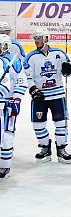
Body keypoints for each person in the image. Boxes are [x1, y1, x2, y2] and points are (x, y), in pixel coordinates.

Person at [24, 27, 71, 163]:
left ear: (46, 38)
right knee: (38, 125)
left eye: (38, 38)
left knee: (61, 123)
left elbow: (68, 70)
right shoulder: (30, 57)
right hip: (39, 97)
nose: (36, 41)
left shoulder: (60, 53)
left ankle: (61, 149)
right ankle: (45, 147)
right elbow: (28, 77)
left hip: (57, 94)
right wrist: (33, 89)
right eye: (35, 39)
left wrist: (68, 70)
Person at [0, 34, 29, 179]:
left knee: (7, 134)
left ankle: (4, 166)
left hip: (9, 103)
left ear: (6, 46)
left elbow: (22, 82)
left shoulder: (14, 62)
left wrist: (16, 99)